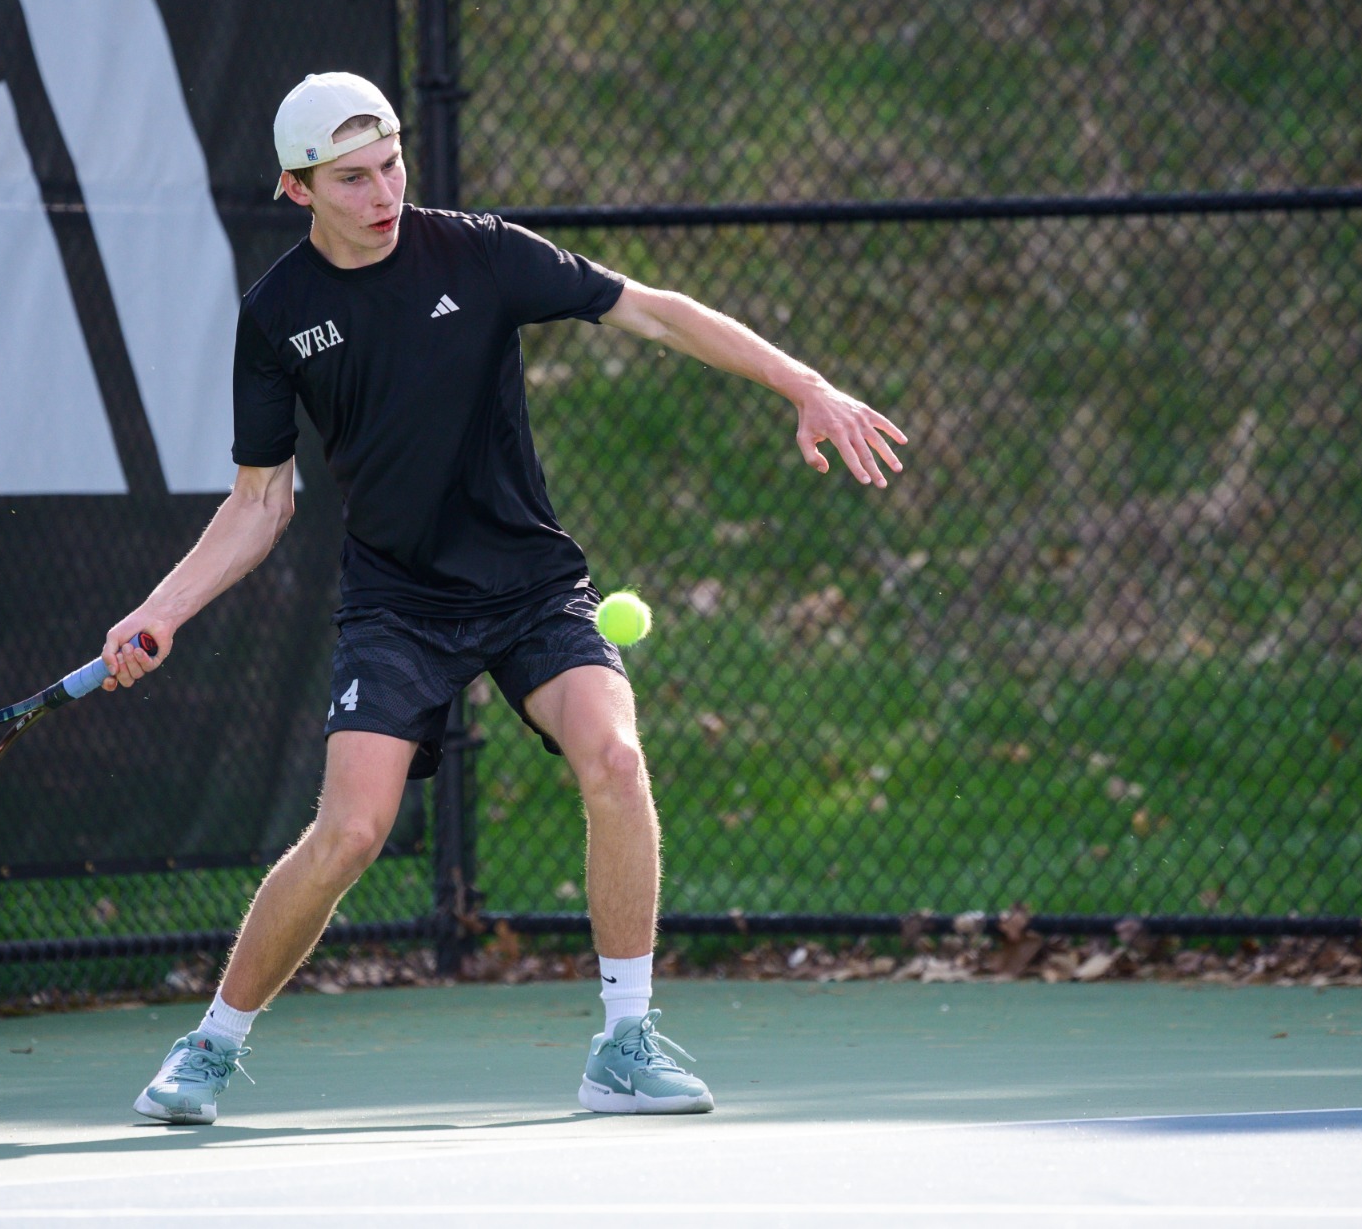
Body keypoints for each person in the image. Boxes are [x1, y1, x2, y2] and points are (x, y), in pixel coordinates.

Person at [110, 72, 908, 1124]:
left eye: (390, 162)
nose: (381, 190)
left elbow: (655, 314)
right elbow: (261, 503)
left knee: (615, 759)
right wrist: (162, 606)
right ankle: (209, 1048)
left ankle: (624, 1041)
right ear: (298, 189)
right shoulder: (276, 317)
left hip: (530, 584)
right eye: (350, 177)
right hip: (397, 601)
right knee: (349, 831)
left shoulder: (480, 252)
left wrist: (804, 384)